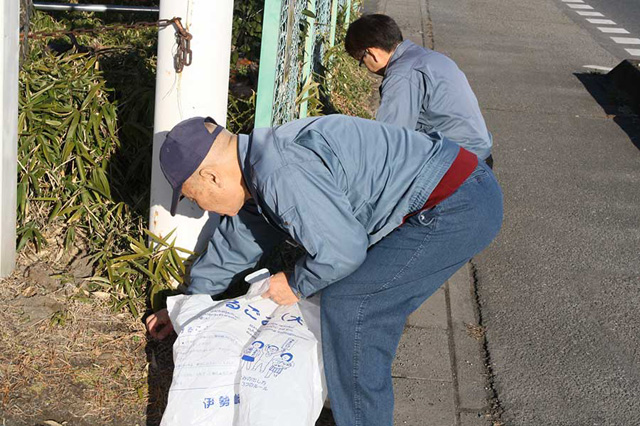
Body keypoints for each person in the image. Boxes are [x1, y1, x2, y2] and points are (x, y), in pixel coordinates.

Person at [146, 115, 503, 426]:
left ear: (211, 177)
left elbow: (343, 252)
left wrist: (296, 283)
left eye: (195, 197)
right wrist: (188, 305)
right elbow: (238, 241)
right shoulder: (259, 165)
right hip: (453, 191)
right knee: (350, 296)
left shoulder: (280, 172)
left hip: (457, 204)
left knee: (354, 305)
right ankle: (351, 391)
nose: (203, 207)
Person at [345, 14, 494, 167]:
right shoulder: (428, 58)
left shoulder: (402, 75)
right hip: (478, 155)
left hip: (457, 167)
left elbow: (388, 141)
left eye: (361, 61)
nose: (368, 69)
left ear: (372, 53)